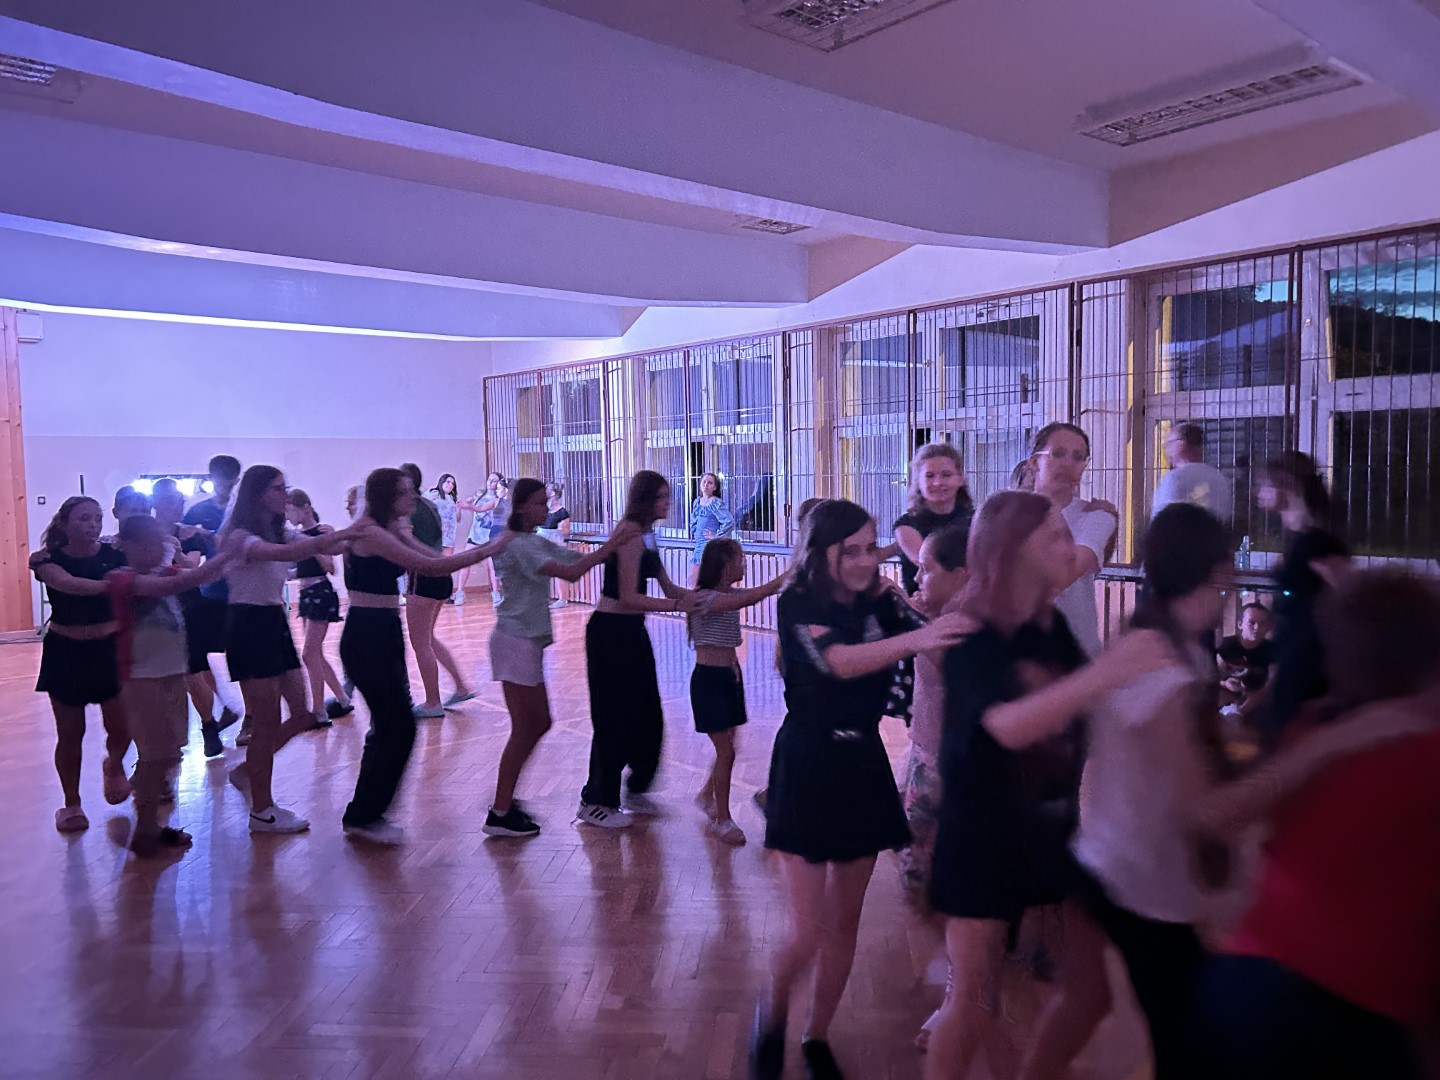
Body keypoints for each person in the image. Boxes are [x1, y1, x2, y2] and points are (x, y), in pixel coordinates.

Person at [923, 491, 1168, 1080]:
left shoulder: (1048, 624)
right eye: (1055, 536)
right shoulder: (972, 632)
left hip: (1046, 826)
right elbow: (1006, 725)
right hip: (981, 836)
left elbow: (1086, 706)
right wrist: (1107, 673)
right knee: (973, 999)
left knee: (1085, 985)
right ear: (1013, 552)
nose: (1070, 547)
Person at [752, 499, 970, 1080]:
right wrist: (918, 638)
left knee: (844, 924)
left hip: (862, 763)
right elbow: (840, 662)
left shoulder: (880, 599)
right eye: (853, 550)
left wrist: (943, 618)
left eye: (872, 547)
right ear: (822, 552)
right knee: (809, 929)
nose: (867, 559)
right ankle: (772, 1016)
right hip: (808, 762)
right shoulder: (798, 600)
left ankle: (815, 1034)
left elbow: (933, 646)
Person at [1193, 570, 1440, 1080]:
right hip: (1360, 1006)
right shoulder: (1420, 753)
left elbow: (1226, 818)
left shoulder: (1314, 728)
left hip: (1255, 983)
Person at [1070, 504, 1236, 1080]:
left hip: (1105, 859)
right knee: (1187, 1043)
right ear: (1216, 573)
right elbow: (1199, 805)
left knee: (1081, 1005)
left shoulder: (1149, 640)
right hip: (1144, 885)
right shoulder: (1168, 667)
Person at [340, 468, 510, 844]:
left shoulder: (392, 528)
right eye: (405, 491)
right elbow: (431, 566)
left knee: (389, 727)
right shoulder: (371, 532)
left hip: (383, 631)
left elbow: (431, 558)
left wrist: (484, 550)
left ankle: (363, 813)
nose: (413, 496)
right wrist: (490, 548)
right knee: (398, 727)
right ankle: (365, 815)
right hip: (366, 634)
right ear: (388, 496)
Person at [483, 478, 636, 838]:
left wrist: (611, 546)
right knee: (527, 727)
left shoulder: (533, 540)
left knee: (536, 724)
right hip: (515, 641)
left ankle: (503, 802)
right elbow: (570, 572)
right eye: (539, 503)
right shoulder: (518, 544)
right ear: (522, 507)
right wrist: (614, 542)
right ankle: (500, 810)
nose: (545, 508)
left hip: (524, 641)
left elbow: (576, 560)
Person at [219, 465, 351, 834]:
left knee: (304, 714)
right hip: (248, 623)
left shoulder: (277, 529)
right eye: (278, 488)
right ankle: (262, 810)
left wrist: (354, 534)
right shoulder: (239, 535)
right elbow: (286, 551)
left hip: (273, 621)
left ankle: (247, 771)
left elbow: (325, 545)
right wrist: (338, 534)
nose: (285, 495)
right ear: (258, 493)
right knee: (266, 722)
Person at [578, 470, 702, 830]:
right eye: (661, 497)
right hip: (610, 633)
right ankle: (596, 800)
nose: (667, 503)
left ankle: (636, 787)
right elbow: (628, 597)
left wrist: (705, 597)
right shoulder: (630, 532)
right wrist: (678, 607)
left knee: (647, 712)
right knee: (613, 716)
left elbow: (668, 587)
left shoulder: (648, 534)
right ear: (645, 499)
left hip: (632, 631)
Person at [108, 515, 232, 856]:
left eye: (158, 542)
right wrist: (226, 553)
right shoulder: (122, 578)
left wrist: (222, 553)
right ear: (127, 546)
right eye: (147, 543)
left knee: (170, 751)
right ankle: (146, 829)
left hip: (171, 674)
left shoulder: (164, 573)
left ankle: (149, 819)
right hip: (139, 678)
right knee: (157, 754)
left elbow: (198, 576)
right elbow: (177, 583)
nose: (155, 550)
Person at [899, 524, 970, 1051]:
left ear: (962, 574)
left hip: (949, 766)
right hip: (927, 755)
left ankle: (959, 992)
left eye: (927, 569)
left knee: (940, 879)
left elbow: (950, 666)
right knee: (919, 871)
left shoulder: (965, 620)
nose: (918, 577)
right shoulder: (944, 612)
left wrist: (913, 618)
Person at [31, 496, 132, 831]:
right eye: (84, 518)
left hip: (109, 650)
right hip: (66, 653)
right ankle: (71, 804)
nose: (93, 525)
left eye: (97, 518)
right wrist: (115, 586)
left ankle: (113, 764)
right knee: (71, 733)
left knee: (122, 727)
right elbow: (69, 585)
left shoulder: (115, 555)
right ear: (65, 523)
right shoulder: (48, 560)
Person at [686, 537, 784, 846]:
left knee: (729, 746)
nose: (744, 564)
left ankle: (707, 796)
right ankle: (723, 819)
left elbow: (750, 597)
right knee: (726, 751)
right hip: (709, 682)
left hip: (730, 678)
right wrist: (788, 573)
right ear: (725, 564)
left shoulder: (728, 595)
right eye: (740, 559)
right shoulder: (705, 598)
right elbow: (756, 595)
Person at [1255, 451, 1350, 749]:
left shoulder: (1316, 541)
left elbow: (1345, 591)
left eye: (1265, 484)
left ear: (1284, 484)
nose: (1259, 493)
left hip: (1308, 654)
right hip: (1293, 648)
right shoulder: (1297, 537)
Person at [1031, 422, 1117, 657]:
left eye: (1078, 457)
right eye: (1058, 453)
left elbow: (1063, 576)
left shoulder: (1097, 516)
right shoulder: (1010, 515)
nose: (1068, 463)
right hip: (1023, 653)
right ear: (1034, 462)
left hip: (1078, 652)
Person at [181, 454, 244, 754]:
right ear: (211, 477)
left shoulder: (244, 511)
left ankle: (249, 718)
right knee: (200, 658)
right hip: (209, 594)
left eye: (230, 478)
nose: (226, 483)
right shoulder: (198, 511)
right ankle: (223, 707)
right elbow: (188, 552)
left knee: (241, 656)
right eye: (220, 477)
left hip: (242, 593)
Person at [399, 463, 473, 718]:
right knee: (428, 638)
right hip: (441, 576)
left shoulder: (409, 509)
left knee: (420, 642)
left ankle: (433, 702)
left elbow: (408, 541)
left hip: (424, 576)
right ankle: (461, 687)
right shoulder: (430, 504)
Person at [285, 488, 353, 725]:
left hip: (321, 593)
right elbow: (300, 570)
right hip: (307, 594)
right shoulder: (296, 536)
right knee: (315, 655)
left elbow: (330, 568)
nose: (288, 516)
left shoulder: (321, 532)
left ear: (304, 508)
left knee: (309, 653)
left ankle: (318, 710)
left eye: (290, 510)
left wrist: (312, 546)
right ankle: (342, 698)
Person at [1152, 422, 1233, 523]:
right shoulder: (1219, 479)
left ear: (1182, 444)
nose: (1167, 450)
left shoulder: (1174, 479)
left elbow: (1162, 521)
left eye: (1170, 443)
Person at [1217, 602, 1273, 716]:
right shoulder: (1228, 645)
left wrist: (1242, 710)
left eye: (1262, 624)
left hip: (1257, 702)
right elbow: (1215, 676)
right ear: (1240, 624)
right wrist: (1225, 683)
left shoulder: (1271, 650)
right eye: (1251, 623)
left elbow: (1272, 682)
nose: (1256, 628)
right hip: (1228, 699)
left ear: (1268, 628)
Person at [456, 471, 504, 606]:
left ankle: (495, 593)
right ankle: (459, 592)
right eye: (489, 479)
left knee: (492, 566)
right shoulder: (479, 494)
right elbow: (472, 505)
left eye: (494, 480)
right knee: (465, 562)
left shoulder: (498, 499)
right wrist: (466, 504)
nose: (490, 482)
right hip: (475, 534)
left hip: (489, 536)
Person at [688, 471, 735, 585]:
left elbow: (728, 521)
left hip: (709, 545)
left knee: (704, 580)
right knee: (695, 580)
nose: (706, 485)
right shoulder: (697, 502)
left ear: (715, 487)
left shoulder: (715, 503)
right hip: (698, 544)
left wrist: (716, 536)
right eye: (704, 482)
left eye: (710, 483)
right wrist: (695, 532)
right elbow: (693, 520)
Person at [538, 481, 572, 607]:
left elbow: (566, 530)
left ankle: (563, 599)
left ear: (552, 493)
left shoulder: (562, 512)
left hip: (554, 541)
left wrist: (561, 528)